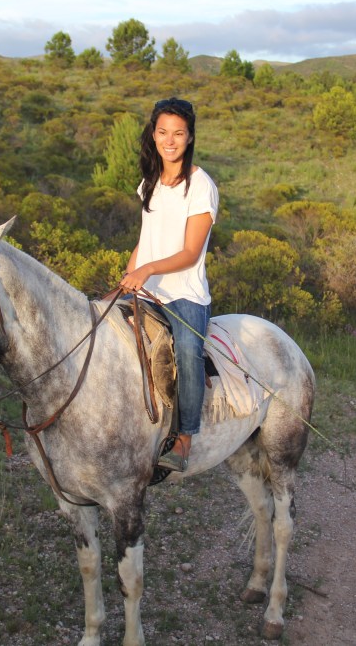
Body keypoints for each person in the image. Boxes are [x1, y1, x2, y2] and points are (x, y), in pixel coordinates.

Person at [120, 97, 219, 472]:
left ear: (190, 136)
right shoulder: (149, 183)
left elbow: (190, 252)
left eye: (178, 133)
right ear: (154, 134)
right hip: (147, 291)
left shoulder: (200, 185)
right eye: (163, 132)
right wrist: (128, 279)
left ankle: (184, 437)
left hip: (184, 294)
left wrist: (146, 271)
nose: (170, 140)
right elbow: (146, 241)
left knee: (189, 352)